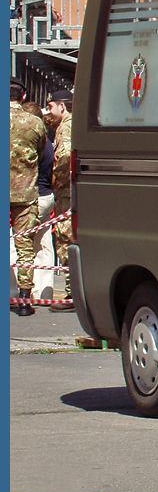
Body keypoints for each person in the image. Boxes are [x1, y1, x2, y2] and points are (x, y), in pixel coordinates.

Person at [10, 77, 47, 317]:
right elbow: (42, 153)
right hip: (24, 193)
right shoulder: (34, 123)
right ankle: (24, 299)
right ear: (23, 97)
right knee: (24, 247)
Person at [45, 88, 75, 311]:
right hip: (74, 193)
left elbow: (64, 160)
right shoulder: (73, 124)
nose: (49, 111)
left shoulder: (65, 127)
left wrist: (57, 183)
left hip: (67, 194)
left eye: (51, 107)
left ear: (62, 107)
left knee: (65, 240)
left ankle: (71, 292)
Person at [23, 100, 56, 301]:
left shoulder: (28, 143)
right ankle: (44, 291)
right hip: (46, 196)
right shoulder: (48, 143)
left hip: (30, 197)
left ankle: (15, 290)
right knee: (44, 243)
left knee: (20, 241)